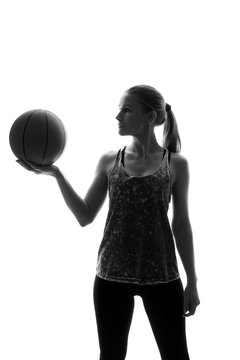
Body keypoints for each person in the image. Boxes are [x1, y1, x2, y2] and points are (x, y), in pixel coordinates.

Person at [17, 84, 200, 360]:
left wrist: (192, 281)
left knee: (176, 355)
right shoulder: (109, 161)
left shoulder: (176, 164)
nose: (118, 117)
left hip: (162, 276)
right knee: (111, 356)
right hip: (110, 277)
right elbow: (85, 216)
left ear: (150, 117)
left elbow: (182, 225)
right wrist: (56, 174)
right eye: (119, 110)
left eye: (126, 110)